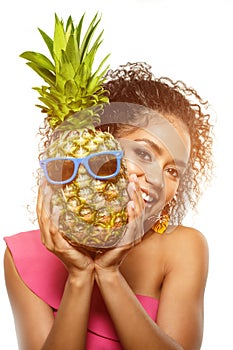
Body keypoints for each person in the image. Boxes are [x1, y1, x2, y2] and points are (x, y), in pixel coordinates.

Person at [3, 62, 213, 350]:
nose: (156, 180)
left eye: (173, 171)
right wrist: (78, 277)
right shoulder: (24, 257)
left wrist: (109, 273)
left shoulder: (184, 248)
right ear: (98, 147)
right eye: (143, 153)